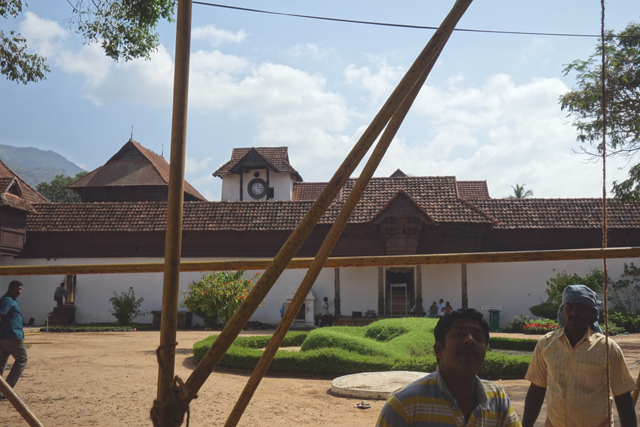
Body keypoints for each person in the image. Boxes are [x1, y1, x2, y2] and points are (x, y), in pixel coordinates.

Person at [376, 308, 521, 427]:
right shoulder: (404, 405)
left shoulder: (498, 400)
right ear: (439, 349)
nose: (470, 340)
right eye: (459, 334)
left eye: (478, 337)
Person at [522, 285, 637, 427]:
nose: (573, 313)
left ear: (592, 313)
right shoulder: (546, 344)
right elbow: (536, 390)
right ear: (562, 311)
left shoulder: (608, 348)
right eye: (568, 307)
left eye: (580, 307)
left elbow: (623, 397)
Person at [0, 280, 28, 399]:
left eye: (20, 289)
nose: (19, 291)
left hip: (5, 336)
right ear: (10, 288)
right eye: (16, 289)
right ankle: (7, 390)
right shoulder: (7, 300)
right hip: (12, 336)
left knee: (1, 363)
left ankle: (3, 390)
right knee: (22, 359)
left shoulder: (11, 299)